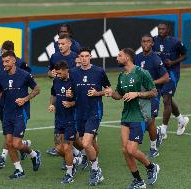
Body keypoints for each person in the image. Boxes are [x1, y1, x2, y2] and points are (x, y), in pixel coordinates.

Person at [105, 48, 160, 189]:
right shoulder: (122, 75)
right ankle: (138, 181)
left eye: (119, 55)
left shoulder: (142, 73)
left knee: (131, 149)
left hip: (140, 115)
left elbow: (154, 92)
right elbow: (119, 95)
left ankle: (151, 167)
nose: (117, 57)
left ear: (127, 58)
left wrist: (137, 93)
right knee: (125, 150)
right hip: (126, 115)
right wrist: (111, 93)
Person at [0, 50, 41, 179]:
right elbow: (0, 91)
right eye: (3, 62)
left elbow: (37, 89)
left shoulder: (24, 75)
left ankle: (34, 154)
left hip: (20, 113)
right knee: (8, 143)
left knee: (17, 144)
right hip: (7, 113)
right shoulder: (1, 76)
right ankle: (19, 170)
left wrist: (25, 99)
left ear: (14, 60)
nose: (4, 64)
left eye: (7, 61)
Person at [66, 47, 110, 186]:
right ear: (78, 58)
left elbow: (109, 90)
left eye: (86, 56)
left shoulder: (99, 71)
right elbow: (71, 91)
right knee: (86, 142)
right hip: (79, 112)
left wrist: (98, 93)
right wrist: (69, 95)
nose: (84, 58)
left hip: (94, 112)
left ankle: (96, 170)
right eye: (81, 56)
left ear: (90, 57)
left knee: (85, 144)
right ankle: (91, 158)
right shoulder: (73, 72)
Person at [0, 40, 31, 168]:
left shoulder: (21, 63)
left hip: (18, 104)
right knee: (7, 131)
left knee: (11, 135)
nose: (4, 61)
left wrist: (24, 97)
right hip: (3, 102)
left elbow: (29, 78)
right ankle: (24, 146)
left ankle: (3, 156)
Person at [135, 34, 169, 158]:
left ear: (152, 43)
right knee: (144, 122)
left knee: (150, 121)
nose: (146, 44)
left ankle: (154, 148)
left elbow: (166, 77)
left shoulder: (155, 59)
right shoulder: (137, 58)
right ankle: (158, 132)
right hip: (139, 95)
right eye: (143, 41)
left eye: (148, 41)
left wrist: (151, 83)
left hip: (153, 95)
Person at [153, 22, 189, 138]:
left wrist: (173, 62)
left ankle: (163, 129)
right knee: (167, 97)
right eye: (159, 29)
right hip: (159, 74)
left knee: (166, 99)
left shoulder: (175, 42)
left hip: (172, 74)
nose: (160, 31)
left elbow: (185, 54)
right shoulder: (154, 41)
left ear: (168, 30)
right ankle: (181, 120)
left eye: (163, 29)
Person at [48, 60, 82, 184]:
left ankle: (69, 174)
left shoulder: (74, 81)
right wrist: (51, 104)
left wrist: (71, 102)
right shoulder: (56, 80)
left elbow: (81, 100)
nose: (57, 75)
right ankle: (76, 160)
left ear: (66, 70)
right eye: (56, 73)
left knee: (67, 148)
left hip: (71, 119)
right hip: (59, 119)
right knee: (58, 149)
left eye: (59, 73)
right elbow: (53, 94)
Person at [46, 34, 78, 156]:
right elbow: (49, 73)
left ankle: (79, 150)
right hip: (59, 91)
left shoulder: (75, 57)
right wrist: (52, 74)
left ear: (69, 44)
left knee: (73, 129)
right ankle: (62, 150)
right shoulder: (54, 56)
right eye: (58, 44)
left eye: (62, 44)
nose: (60, 46)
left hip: (72, 95)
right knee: (59, 120)